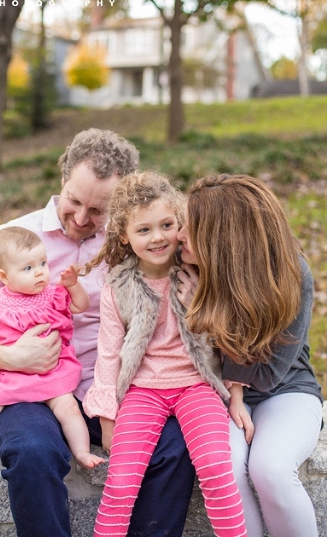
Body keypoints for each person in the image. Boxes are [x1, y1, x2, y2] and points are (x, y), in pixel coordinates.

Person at [0, 128, 197, 537]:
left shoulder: (137, 242)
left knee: (174, 446)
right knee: (31, 451)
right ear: (62, 181)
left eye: (98, 210)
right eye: (74, 201)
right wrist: (5, 356)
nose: (82, 219)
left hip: (118, 388)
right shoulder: (11, 240)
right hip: (28, 386)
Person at [81, 171, 246, 537]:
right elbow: (108, 355)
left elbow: (226, 335)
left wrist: (233, 389)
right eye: (143, 230)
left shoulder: (199, 274)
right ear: (124, 235)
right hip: (143, 392)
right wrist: (108, 418)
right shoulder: (118, 288)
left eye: (166, 225)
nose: (157, 237)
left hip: (197, 386)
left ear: (180, 224)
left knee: (217, 470)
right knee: (121, 482)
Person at [176, 174, 324, 537]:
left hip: (285, 392)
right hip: (215, 397)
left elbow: (266, 374)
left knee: (271, 468)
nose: (179, 235)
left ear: (224, 238)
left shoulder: (289, 275)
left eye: (191, 229)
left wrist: (204, 313)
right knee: (224, 468)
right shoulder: (187, 269)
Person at [0, 226, 103, 469]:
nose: (40, 272)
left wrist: (73, 286)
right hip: (11, 373)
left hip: (52, 370)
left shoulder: (54, 296)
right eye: (28, 268)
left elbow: (80, 306)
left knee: (69, 406)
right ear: (4, 276)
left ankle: (81, 452)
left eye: (42, 263)